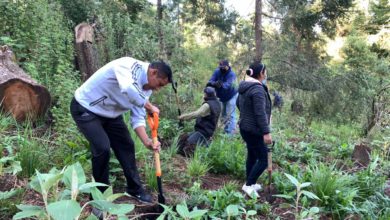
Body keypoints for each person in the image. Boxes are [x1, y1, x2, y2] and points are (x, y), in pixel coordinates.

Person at [70, 57, 172, 205]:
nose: (157, 89)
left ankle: (134, 189)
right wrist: (149, 106)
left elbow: (137, 116)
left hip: (111, 115)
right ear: (153, 72)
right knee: (102, 148)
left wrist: (147, 141)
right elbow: (128, 88)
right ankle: (99, 197)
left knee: (127, 145)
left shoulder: (146, 89)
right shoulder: (127, 65)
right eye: (159, 84)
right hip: (86, 107)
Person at [236, 62, 272, 197]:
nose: (266, 74)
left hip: (245, 127)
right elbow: (260, 113)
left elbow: (238, 103)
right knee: (263, 159)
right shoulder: (257, 89)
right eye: (265, 71)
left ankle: (250, 182)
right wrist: (266, 132)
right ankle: (249, 184)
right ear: (261, 73)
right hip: (254, 131)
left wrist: (246, 116)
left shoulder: (245, 86)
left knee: (252, 155)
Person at [177, 86, 221, 156]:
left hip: (204, 132)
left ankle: (201, 148)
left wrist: (183, 117)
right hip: (206, 130)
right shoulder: (218, 103)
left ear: (206, 94)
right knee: (183, 138)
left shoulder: (207, 105)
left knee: (188, 145)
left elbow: (196, 114)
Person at [207, 59, 238, 135]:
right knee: (223, 114)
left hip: (231, 96)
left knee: (230, 114)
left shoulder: (232, 74)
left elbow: (227, 86)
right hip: (221, 96)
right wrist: (214, 83)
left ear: (228, 66)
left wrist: (220, 85)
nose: (222, 68)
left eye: (224, 67)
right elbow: (210, 81)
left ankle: (230, 134)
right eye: (221, 67)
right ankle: (226, 130)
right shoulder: (217, 71)